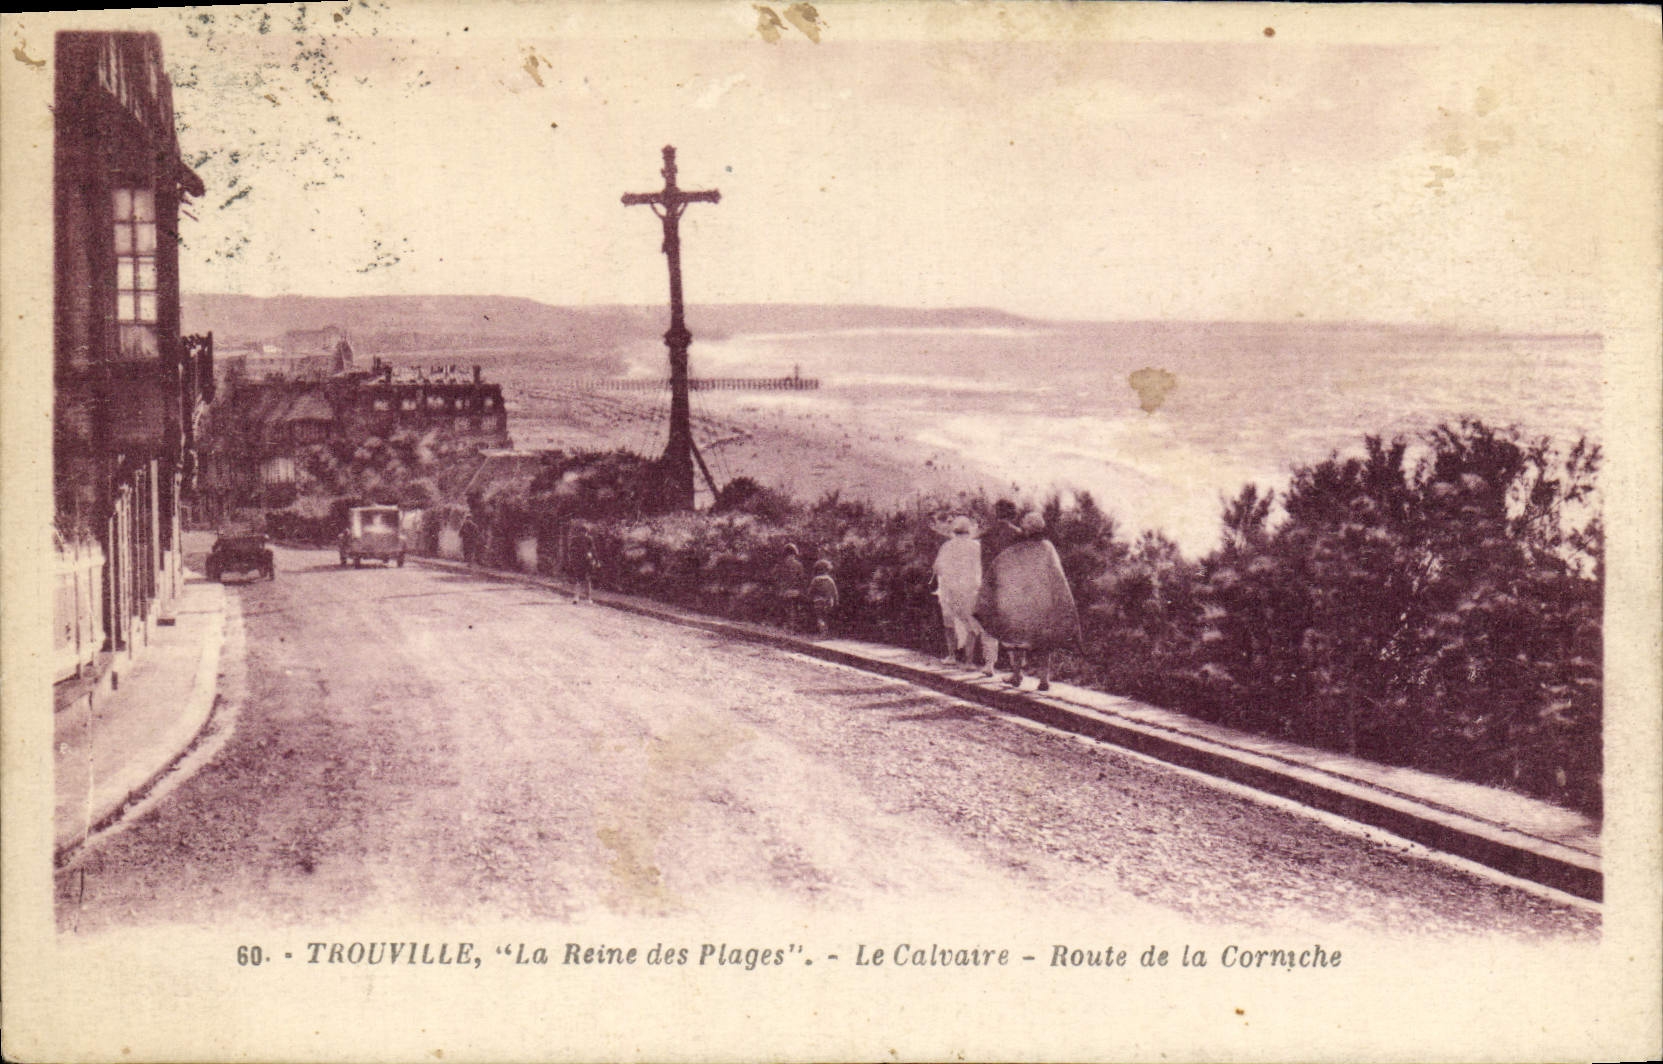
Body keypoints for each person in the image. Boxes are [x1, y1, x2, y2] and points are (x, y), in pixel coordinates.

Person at [975, 511, 1080, 691]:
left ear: (1026, 528)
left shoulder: (1018, 547)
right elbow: (1057, 574)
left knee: (1017, 637)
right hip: (1043, 599)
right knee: (1043, 640)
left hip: (1023, 598)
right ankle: (1043, 680)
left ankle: (1016, 676)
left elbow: (1003, 568)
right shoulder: (1047, 547)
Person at [932, 515, 997, 674]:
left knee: (949, 623)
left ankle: (952, 656)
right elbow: (983, 568)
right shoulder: (976, 546)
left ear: (954, 531)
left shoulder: (947, 546)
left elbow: (937, 568)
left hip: (949, 589)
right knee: (971, 625)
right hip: (970, 589)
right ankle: (968, 661)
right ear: (969, 531)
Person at [775, 541, 807, 631]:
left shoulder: (780, 565)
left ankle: (785, 624)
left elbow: (776, 578)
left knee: (785, 607)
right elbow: (802, 579)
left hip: (783, 591)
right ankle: (792, 625)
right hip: (793, 591)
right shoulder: (798, 565)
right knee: (793, 607)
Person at [808, 558, 839, 636]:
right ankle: (826, 631)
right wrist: (836, 601)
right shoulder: (830, 580)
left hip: (818, 601)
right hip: (828, 601)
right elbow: (834, 592)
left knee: (819, 617)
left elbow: (811, 591)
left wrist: (809, 598)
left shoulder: (815, 580)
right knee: (826, 616)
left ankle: (822, 631)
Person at [569, 523, 598, 603]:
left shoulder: (589, 539)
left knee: (586, 580)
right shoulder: (575, 539)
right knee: (580, 580)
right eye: (582, 532)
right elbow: (571, 550)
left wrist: (595, 560)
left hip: (586, 561)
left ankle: (587, 598)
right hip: (580, 562)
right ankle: (577, 597)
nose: (583, 533)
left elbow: (593, 550)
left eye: (584, 532)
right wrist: (572, 559)